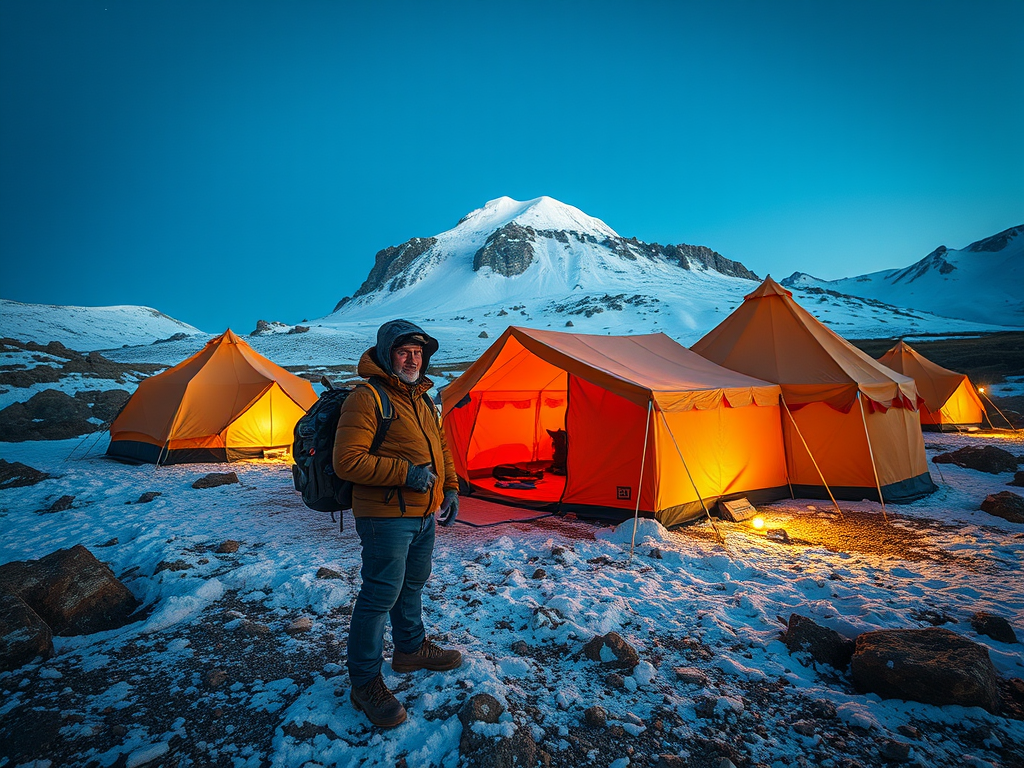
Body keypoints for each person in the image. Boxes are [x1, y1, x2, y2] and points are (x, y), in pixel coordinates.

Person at [333, 318, 462, 728]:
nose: (412, 359)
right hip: (384, 516)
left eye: (419, 353)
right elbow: (347, 461)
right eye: (404, 352)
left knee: (413, 583)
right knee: (379, 596)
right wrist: (406, 474)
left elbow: (441, 448)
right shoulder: (367, 398)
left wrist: (452, 488)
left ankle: (409, 649)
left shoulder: (422, 400)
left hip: (423, 514)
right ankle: (364, 681)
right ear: (388, 353)